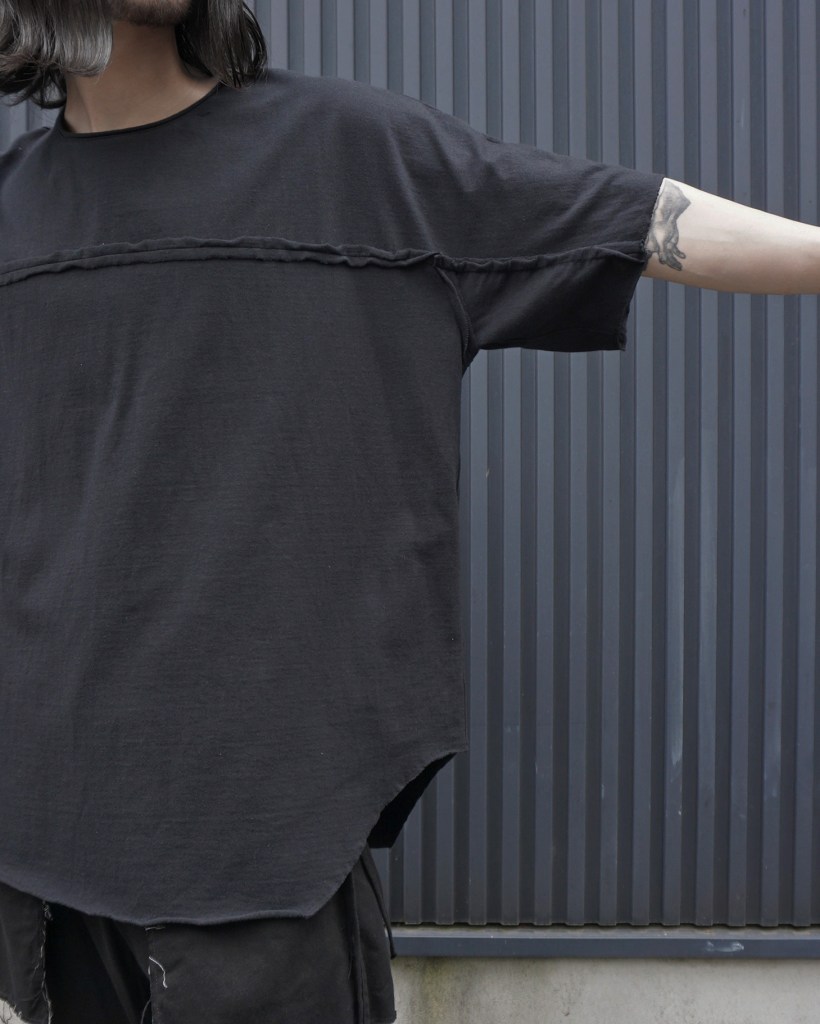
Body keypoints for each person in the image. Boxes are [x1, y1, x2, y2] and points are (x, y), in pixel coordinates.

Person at [0, 2, 817, 1023]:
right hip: (51, 862)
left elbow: (624, 217)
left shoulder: (352, 159)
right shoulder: (16, 213)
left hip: (272, 854)